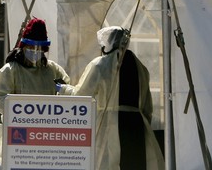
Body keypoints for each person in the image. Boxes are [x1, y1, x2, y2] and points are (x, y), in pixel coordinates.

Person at [57, 26, 164, 170]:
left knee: (107, 164)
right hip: (137, 127)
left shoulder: (101, 64)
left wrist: (62, 89)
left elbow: (81, 95)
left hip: (110, 124)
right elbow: (147, 107)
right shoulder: (140, 67)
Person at [0, 17, 70, 163]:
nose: (35, 52)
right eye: (31, 48)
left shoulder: (52, 70)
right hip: (19, 133)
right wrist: (22, 112)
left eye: (39, 49)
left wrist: (63, 91)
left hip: (47, 133)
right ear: (23, 47)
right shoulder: (11, 70)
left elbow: (68, 91)